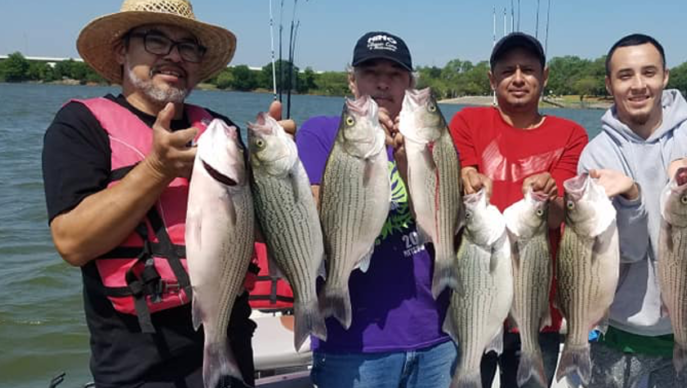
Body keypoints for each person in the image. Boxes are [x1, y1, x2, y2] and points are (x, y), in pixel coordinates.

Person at [41, 0, 294, 386]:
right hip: (139, 366)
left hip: (232, 345)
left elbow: (259, 231)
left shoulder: (218, 129)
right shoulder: (79, 126)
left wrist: (277, 172)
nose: (174, 56)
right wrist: (158, 168)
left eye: (188, 46)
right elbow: (72, 243)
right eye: (155, 40)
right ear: (122, 50)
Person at [295, 31, 456, 388]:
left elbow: (443, 223)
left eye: (395, 74)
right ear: (352, 81)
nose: (383, 83)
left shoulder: (430, 142)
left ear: (409, 84)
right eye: (371, 72)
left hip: (436, 336)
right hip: (354, 343)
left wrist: (406, 167)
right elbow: (312, 217)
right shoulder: (322, 133)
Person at [576, 33, 687, 387]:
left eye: (649, 72)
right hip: (620, 326)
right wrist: (632, 198)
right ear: (609, 84)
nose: (638, 85)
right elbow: (623, 251)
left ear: (665, 76)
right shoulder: (597, 154)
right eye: (625, 75)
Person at [448, 32, 589, 387]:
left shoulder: (571, 133)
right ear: (491, 79)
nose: (518, 77)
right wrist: (465, 176)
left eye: (528, 69)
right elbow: (457, 191)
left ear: (545, 76)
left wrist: (551, 194)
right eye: (507, 70)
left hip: (535, 299)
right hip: (476, 291)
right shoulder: (467, 122)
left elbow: (557, 218)